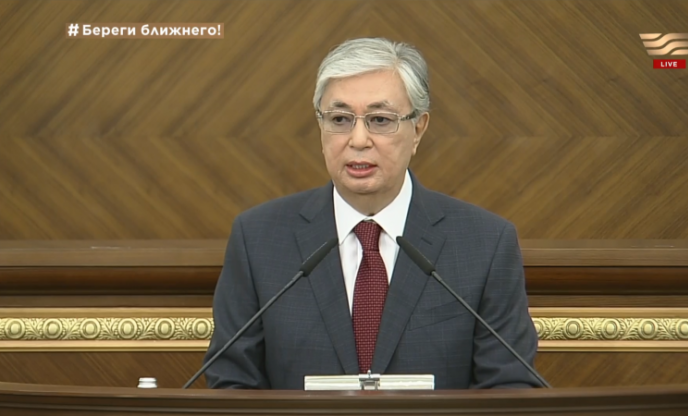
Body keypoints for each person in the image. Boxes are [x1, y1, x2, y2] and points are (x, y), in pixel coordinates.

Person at [204, 37, 539, 389]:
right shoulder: (258, 240)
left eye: (380, 119)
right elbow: (232, 382)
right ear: (320, 127)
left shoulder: (485, 244)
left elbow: (509, 386)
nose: (359, 140)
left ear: (418, 128)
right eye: (340, 119)